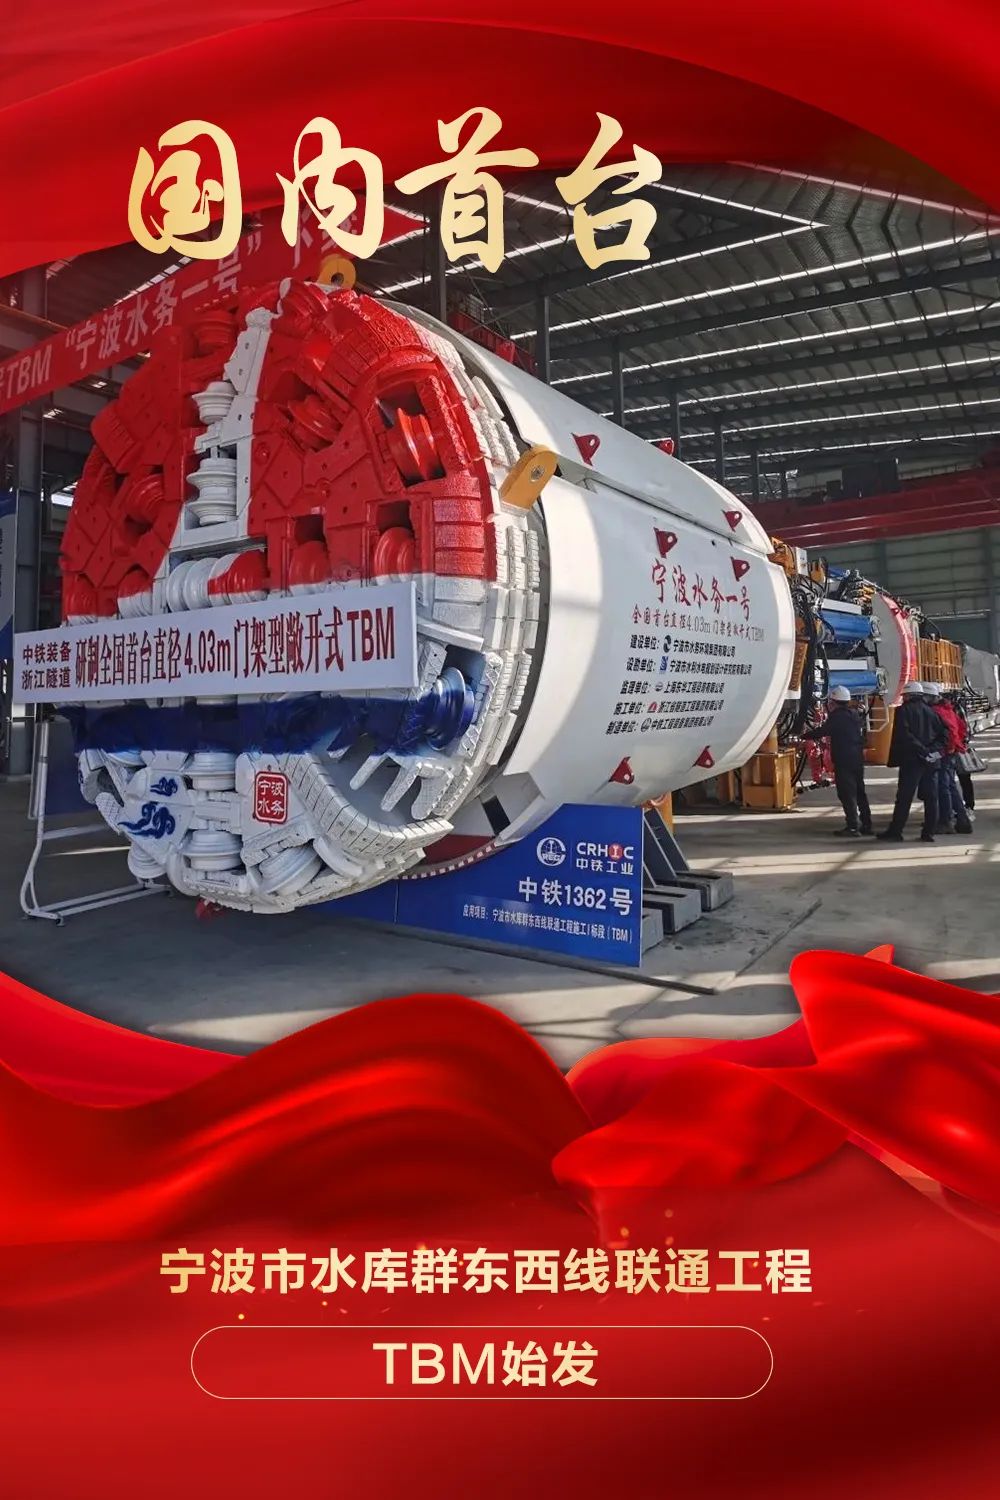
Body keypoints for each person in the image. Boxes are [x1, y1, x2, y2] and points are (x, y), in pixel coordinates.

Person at [877, 681, 947, 843]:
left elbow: (905, 735)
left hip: (911, 761)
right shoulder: (932, 712)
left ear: (907, 696)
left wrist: (922, 750)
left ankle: (896, 831)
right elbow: (944, 736)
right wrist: (931, 751)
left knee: (904, 797)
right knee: (931, 798)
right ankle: (928, 832)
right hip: (930, 761)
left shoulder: (903, 711)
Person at [802, 685, 872, 836]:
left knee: (847, 793)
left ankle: (853, 827)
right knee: (860, 792)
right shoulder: (854, 714)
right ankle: (867, 824)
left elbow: (823, 731)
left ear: (832, 702)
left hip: (844, 761)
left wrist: (803, 736)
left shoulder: (837, 717)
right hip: (857, 759)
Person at [923, 683, 972, 834]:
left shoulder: (937, 711)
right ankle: (962, 820)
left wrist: (946, 749)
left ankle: (946, 821)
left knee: (943, 787)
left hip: (944, 753)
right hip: (950, 752)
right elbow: (961, 727)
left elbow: (949, 732)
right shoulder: (948, 709)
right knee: (950, 786)